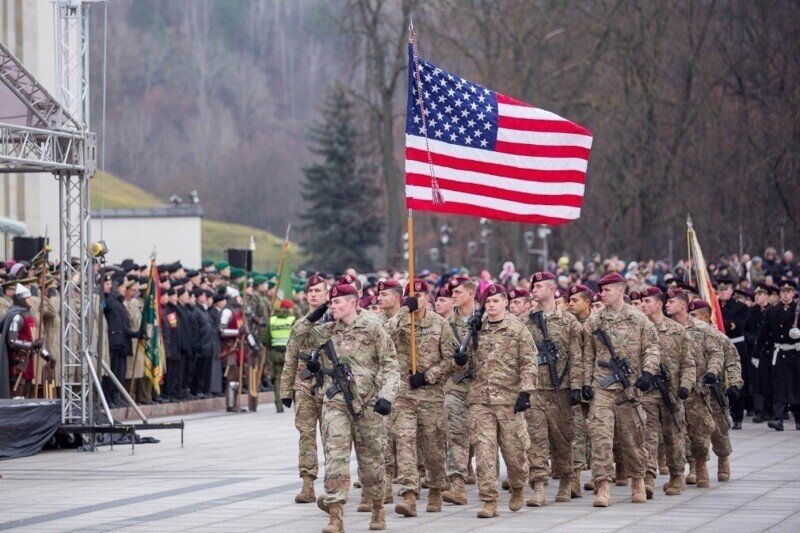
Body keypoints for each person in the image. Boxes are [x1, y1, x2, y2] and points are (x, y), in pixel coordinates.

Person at [299, 283, 399, 533]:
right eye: (330, 302)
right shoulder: (326, 330)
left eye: (337, 302)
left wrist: (387, 396)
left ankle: (377, 507)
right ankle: (335, 515)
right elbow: (298, 336)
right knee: (335, 457)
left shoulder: (373, 326)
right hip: (335, 403)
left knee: (372, 461)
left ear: (353, 302)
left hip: (368, 405)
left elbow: (391, 365)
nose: (333, 306)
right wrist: (314, 313)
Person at [459, 282, 537, 519]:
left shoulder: (517, 329)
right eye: (488, 302)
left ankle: (518, 485)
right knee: (484, 451)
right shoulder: (476, 329)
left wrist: (526, 391)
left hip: (509, 399)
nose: (491, 305)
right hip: (481, 399)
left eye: (495, 301)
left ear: (505, 302)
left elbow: (529, 361)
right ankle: (489, 500)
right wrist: (460, 358)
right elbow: (469, 361)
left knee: (515, 453)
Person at [583, 272, 660, 507]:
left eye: (606, 290)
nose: (601, 294)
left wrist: (648, 373)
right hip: (602, 387)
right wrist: (586, 383)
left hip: (630, 388)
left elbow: (652, 348)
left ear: (619, 291)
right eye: (601, 290)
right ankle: (603, 486)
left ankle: (638, 480)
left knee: (633, 438)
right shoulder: (595, 321)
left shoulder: (638, 319)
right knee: (601, 438)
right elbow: (587, 355)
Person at [385, 279, 457, 517]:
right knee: (404, 442)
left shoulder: (440, 325)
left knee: (433, 448)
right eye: (412, 296)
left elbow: (452, 360)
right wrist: (405, 309)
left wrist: (428, 376)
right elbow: (382, 337)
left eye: (421, 295)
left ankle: (436, 487)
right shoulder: (399, 322)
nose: (418, 299)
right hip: (403, 395)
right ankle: (409, 495)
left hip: (430, 396)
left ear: (429, 298)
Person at [523, 272, 584, 506]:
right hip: (536, 389)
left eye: (538, 286)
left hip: (561, 389)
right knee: (536, 439)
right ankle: (538, 486)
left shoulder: (568, 321)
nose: (534, 290)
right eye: (533, 285)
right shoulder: (527, 320)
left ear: (551, 289)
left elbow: (577, 356)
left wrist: (577, 386)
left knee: (561, 438)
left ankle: (567, 480)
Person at [639, 287, 695, 496]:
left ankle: (676, 475)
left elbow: (689, 363)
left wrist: (685, 386)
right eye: (642, 301)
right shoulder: (639, 328)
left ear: (659, 304)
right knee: (647, 435)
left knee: (673, 437)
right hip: (646, 393)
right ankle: (648, 478)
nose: (643, 305)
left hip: (671, 393)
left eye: (647, 301)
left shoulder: (677, 331)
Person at [665, 288, 723, 488]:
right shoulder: (665, 329)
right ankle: (680, 473)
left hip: (697, 390)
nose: (666, 305)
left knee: (699, 433)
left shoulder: (701, 328)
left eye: (671, 301)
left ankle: (701, 465)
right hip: (672, 390)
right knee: (675, 433)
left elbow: (716, 353)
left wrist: (712, 372)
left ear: (683, 304)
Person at [281, 274, 328, 504]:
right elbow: (290, 357)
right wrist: (285, 390)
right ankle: (308, 483)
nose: (313, 294)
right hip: (304, 385)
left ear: (326, 294)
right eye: (310, 290)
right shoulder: (300, 323)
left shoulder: (335, 321)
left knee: (332, 436)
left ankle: (334, 484)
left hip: (330, 386)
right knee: (306, 434)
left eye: (318, 290)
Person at [689, 299, 742, 482]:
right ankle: (697, 466)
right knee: (695, 431)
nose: (690, 319)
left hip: (715, 390)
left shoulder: (720, 338)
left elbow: (732, 362)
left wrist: (734, 385)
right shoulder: (686, 335)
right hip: (694, 390)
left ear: (705, 316)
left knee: (719, 430)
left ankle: (723, 458)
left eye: (694, 315)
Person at [441, 276, 478, 506]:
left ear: (471, 294)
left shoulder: (486, 318)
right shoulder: (445, 324)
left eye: (457, 292)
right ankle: (457, 485)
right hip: (455, 385)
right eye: (451, 292)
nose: (453, 296)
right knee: (455, 434)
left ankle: (490, 486)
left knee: (485, 440)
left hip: (483, 386)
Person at [757, 280, 800, 431]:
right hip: (780, 353)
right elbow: (763, 334)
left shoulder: (798, 310)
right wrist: (757, 354)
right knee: (779, 387)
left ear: (793, 293)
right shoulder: (772, 311)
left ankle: (798, 418)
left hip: (796, 353)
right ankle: (778, 419)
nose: (785, 294)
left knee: (796, 386)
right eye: (782, 291)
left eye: (788, 291)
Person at [1, 284, 53, 398]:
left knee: (25, 397)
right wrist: (32, 345)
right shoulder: (16, 317)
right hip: (18, 365)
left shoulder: (28, 316)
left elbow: (34, 343)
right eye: (28, 298)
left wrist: (47, 356)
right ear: (21, 300)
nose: (30, 300)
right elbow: (12, 341)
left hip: (27, 365)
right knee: (16, 398)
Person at [567, 283, 595, 492]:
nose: (570, 304)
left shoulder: (598, 323)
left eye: (575, 300)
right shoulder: (566, 323)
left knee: (597, 431)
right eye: (569, 300)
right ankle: (574, 478)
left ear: (587, 302)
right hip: (573, 383)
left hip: (596, 384)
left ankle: (599, 474)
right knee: (575, 432)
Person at [104, 274, 142, 407]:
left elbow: (124, 326)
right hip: (113, 342)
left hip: (121, 343)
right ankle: (108, 398)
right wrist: (110, 293)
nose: (125, 289)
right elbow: (104, 307)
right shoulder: (108, 300)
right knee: (111, 372)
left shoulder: (119, 303)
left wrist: (136, 334)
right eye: (123, 286)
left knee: (119, 373)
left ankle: (116, 395)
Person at [717, 276, 750, 428]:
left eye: (725, 289)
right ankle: (724, 414)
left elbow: (736, 326)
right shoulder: (714, 306)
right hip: (718, 347)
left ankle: (738, 417)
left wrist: (719, 323)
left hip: (735, 346)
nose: (722, 292)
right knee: (720, 381)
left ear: (731, 290)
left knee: (736, 380)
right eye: (720, 289)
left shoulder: (741, 307)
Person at [746, 283, 773, 422]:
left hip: (768, 351)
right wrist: (751, 338)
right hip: (755, 351)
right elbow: (744, 330)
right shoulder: (751, 311)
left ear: (767, 296)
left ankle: (768, 411)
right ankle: (759, 411)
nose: (757, 296)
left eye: (760, 294)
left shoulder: (772, 311)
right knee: (755, 382)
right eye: (756, 294)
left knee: (768, 382)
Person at [268, 299, 296, 413]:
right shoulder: (292, 319)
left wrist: (272, 346)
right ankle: (295, 402)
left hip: (276, 353)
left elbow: (266, 338)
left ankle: (279, 405)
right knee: (293, 378)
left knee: (278, 379)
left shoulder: (272, 319)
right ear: (289, 308)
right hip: (290, 353)